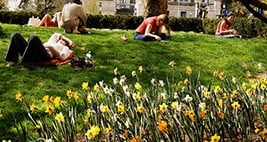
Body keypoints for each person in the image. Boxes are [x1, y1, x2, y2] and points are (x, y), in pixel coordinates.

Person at [5, 32, 76, 69]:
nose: (61, 40)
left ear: (66, 44)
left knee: (34, 37)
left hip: (45, 55)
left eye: (63, 40)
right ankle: (12, 60)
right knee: (15, 35)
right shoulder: (53, 41)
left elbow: (62, 57)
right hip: (35, 49)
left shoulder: (65, 48)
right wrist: (68, 40)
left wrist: (50, 47)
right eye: (60, 39)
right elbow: (56, 34)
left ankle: (26, 64)